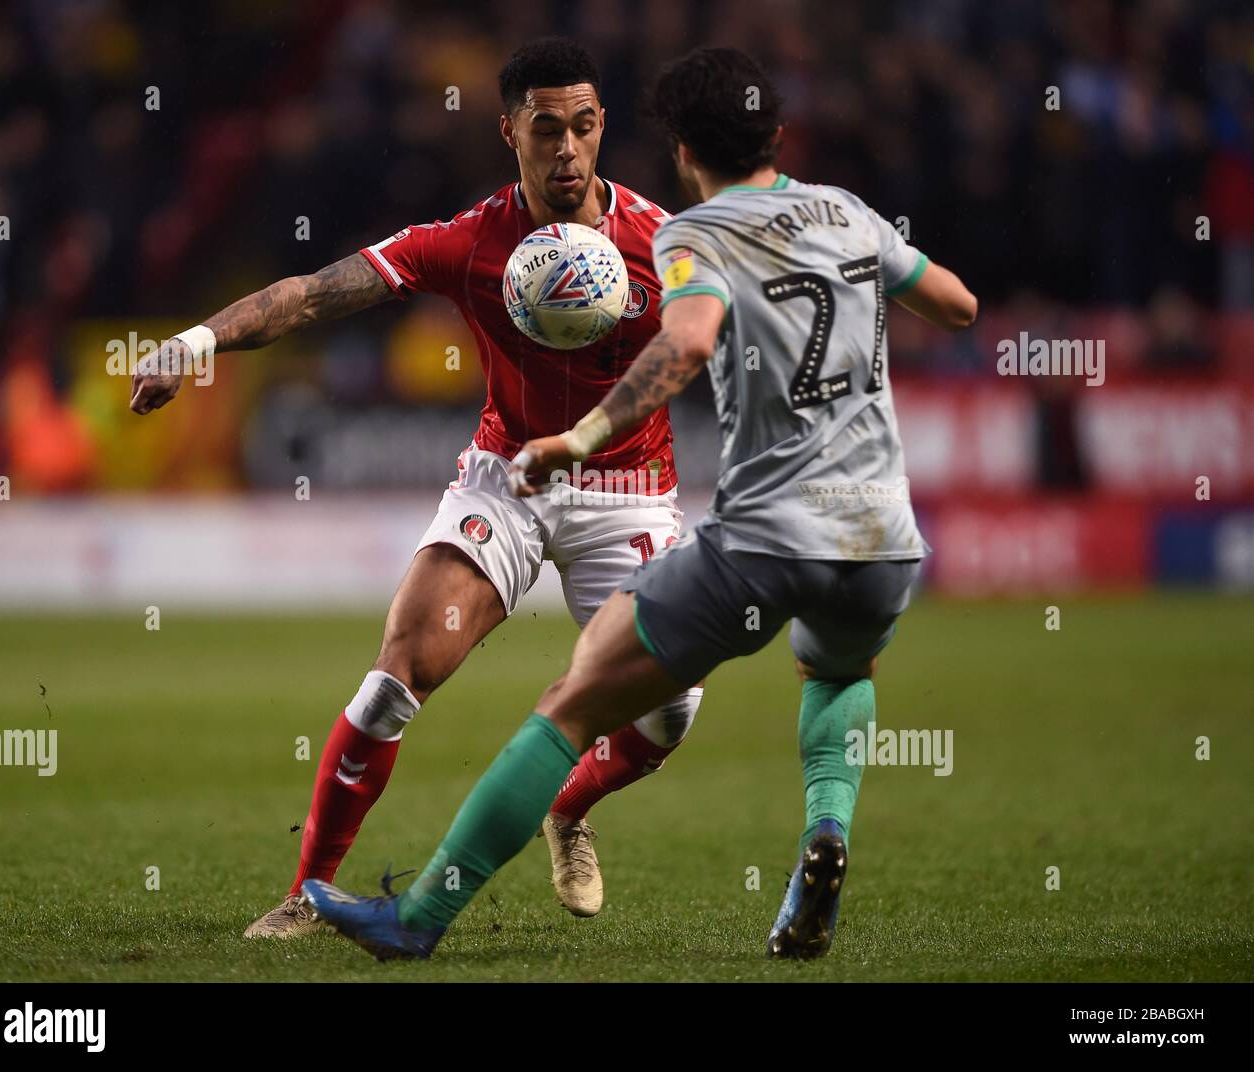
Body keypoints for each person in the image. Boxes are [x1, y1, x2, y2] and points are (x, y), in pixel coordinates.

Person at [300, 46, 977, 962]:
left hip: (765, 528)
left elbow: (688, 342)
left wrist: (581, 436)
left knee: (577, 703)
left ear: (682, 148)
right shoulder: (850, 215)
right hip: (881, 530)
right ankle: (827, 833)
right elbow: (958, 304)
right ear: (779, 134)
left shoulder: (690, 233)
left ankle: (418, 918)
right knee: (837, 676)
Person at [128, 38, 704, 936]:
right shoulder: (471, 240)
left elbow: (731, 337)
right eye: (545, 129)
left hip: (628, 486)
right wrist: (193, 344)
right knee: (399, 674)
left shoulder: (664, 245)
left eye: (583, 127)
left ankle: (567, 808)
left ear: (602, 129)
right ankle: (307, 895)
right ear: (508, 129)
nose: (566, 150)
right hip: (508, 478)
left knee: (669, 713)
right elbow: (320, 292)